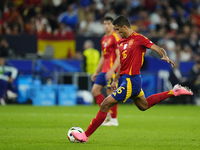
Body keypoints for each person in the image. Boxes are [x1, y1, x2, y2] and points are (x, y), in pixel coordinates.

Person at [71, 15, 193, 143]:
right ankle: (174, 91)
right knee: (143, 105)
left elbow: (158, 48)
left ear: (124, 27)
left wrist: (165, 56)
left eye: (118, 30)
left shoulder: (139, 39)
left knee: (105, 104)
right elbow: (122, 63)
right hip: (126, 79)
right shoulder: (121, 42)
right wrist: (115, 79)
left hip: (132, 80)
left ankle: (84, 136)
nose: (117, 32)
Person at [91, 16, 120, 126]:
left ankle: (114, 119)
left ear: (113, 25)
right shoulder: (103, 39)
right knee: (95, 90)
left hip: (111, 71)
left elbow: (119, 56)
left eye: (109, 23)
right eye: (105, 23)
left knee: (110, 94)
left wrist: (112, 70)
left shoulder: (115, 38)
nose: (107, 26)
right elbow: (103, 57)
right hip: (103, 71)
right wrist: (96, 72)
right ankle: (107, 115)